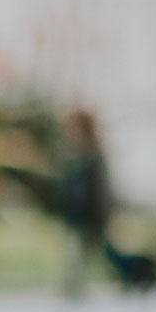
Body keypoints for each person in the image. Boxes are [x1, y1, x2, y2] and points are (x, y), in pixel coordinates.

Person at [59, 109, 113, 299]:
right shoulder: (73, 153)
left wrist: (101, 211)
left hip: (92, 213)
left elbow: (99, 187)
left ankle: (122, 279)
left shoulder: (93, 153)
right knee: (78, 250)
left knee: (100, 251)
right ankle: (74, 286)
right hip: (76, 212)